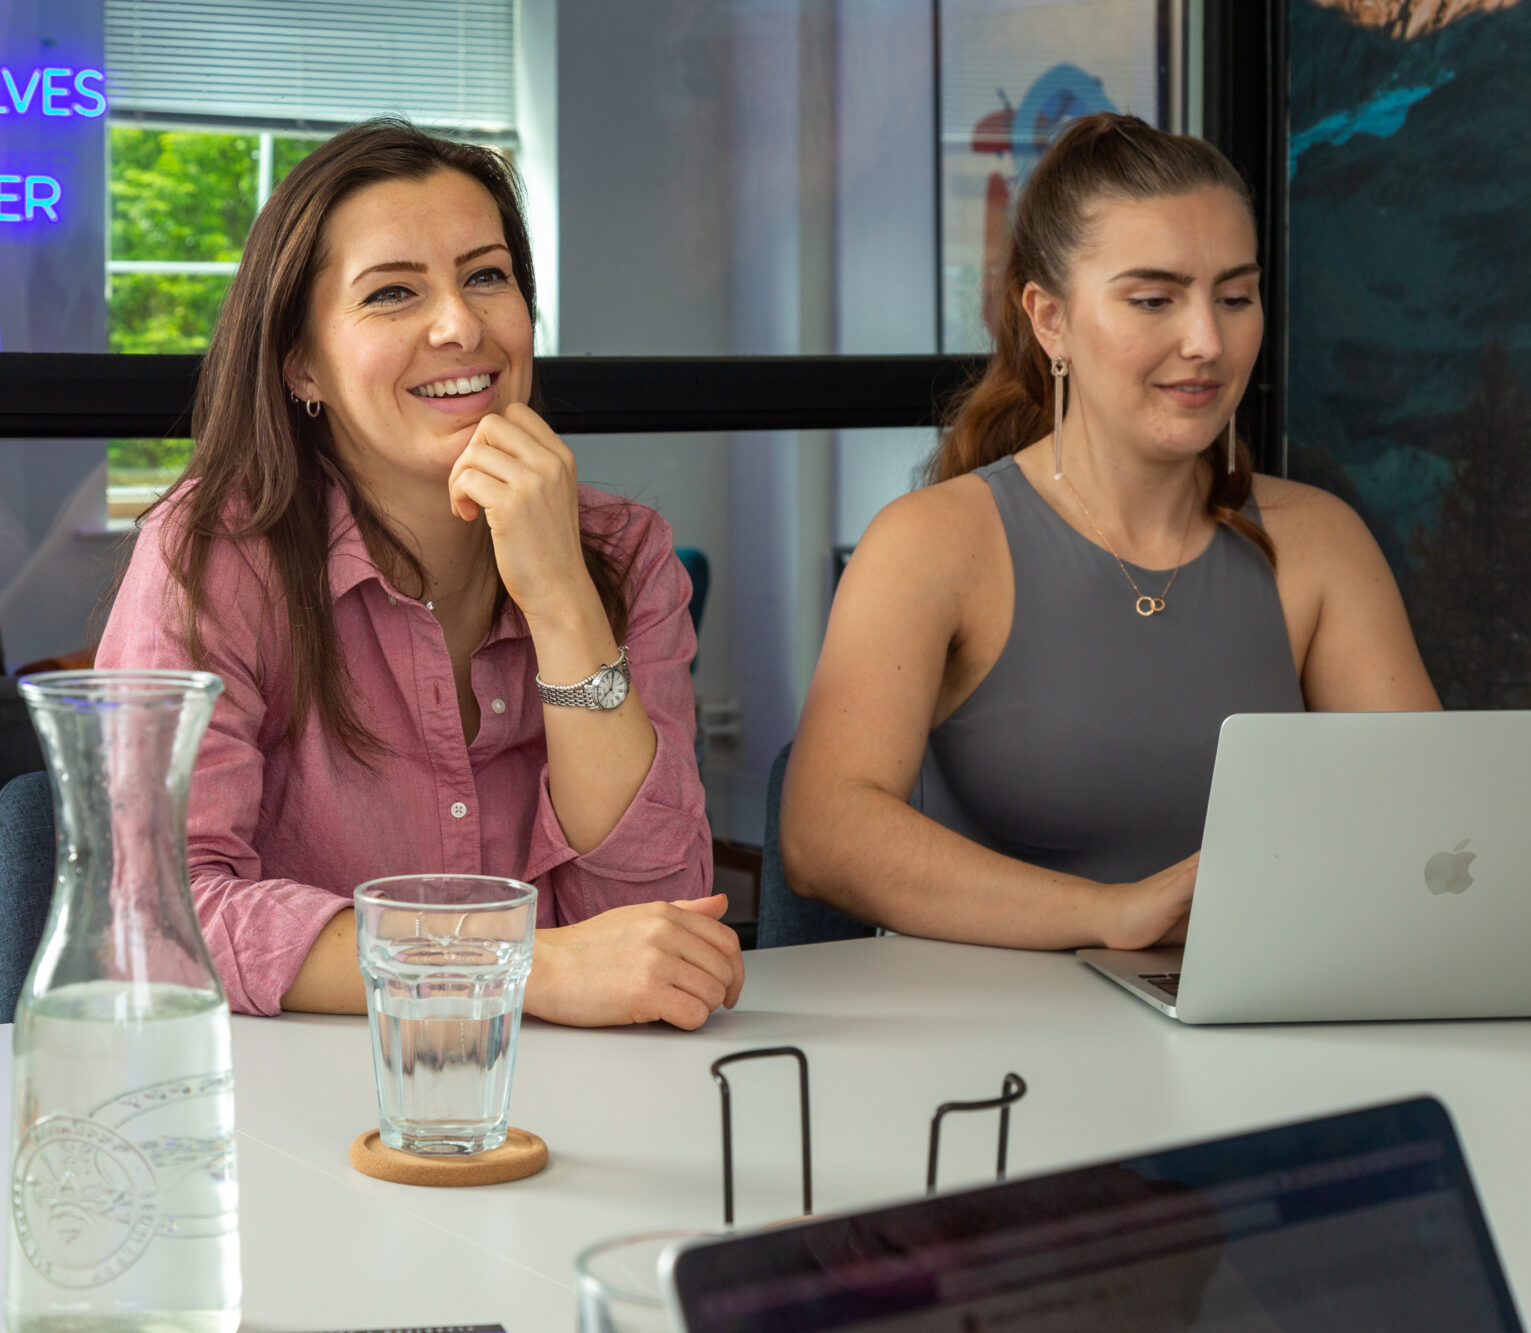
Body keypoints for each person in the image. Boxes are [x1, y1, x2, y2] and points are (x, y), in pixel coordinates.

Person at [97, 119, 742, 1028]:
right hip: (297, 1112)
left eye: (486, 276)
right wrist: (515, 964)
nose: (460, 324)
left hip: (586, 1101)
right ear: (300, 362)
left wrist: (561, 599)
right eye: (393, 293)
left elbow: (655, 926)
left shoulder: (626, 553)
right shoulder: (214, 556)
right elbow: (156, 916)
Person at [781, 114, 1439, 950]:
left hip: (1254, 1035)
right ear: (1049, 319)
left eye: (1235, 297)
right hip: (996, 1058)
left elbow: (1431, 828)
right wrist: (1110, 914)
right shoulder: (932, 543)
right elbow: (823, 833)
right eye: (1154, 300)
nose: (1207, 341)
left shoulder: (1321, 544)